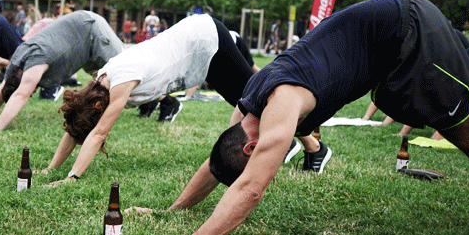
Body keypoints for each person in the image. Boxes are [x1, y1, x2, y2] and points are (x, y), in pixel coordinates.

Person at [145, 0, 469, 235]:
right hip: (390, 42)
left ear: (253, 148)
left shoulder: (282, 103)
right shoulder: (247, 105)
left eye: (261, 157)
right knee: (428, 115)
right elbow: (220, 161)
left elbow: (250, 188)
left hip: (413, 28)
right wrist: (173, 211)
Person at [46, 13, 321, 185]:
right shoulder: (99, 82)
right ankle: (293, 144)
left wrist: (72, 177)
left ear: (97, 104)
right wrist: (50, 169)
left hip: (206, 40)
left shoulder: (119, 82)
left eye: (94, 115)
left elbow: (97, 133)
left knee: (260, 99)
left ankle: (314, 148)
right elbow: (78, 125)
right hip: (197, 51)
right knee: (247, 102)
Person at [0, 10, 124, 132]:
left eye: (31, 91)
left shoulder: (35, 62)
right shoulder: (16, 64)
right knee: (104, 81)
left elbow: (20, 94)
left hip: (93, 30)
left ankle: (147, 105)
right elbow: (3, 89)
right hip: (84, 45)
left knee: (124, 73)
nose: (32, 92)